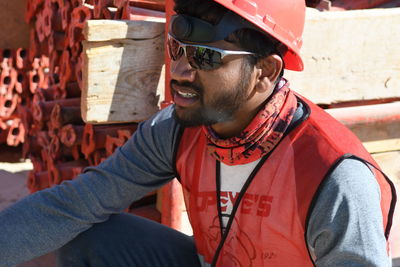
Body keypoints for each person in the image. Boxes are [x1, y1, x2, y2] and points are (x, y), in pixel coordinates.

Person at [0, 0, 396, 266]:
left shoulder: (333, 175)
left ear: (267, 72)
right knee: (90, 236)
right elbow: (74, 205)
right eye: (177, 49)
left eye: (206, 57)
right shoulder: (175, 130)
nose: (181, 72)